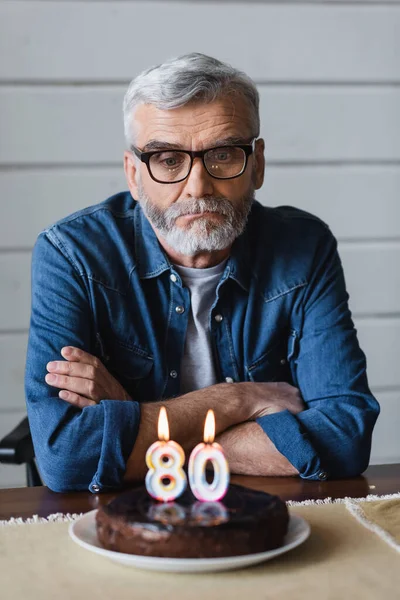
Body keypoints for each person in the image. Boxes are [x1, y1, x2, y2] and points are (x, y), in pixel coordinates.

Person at [25, 53, 379, 493]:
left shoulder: (304, 248)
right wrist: (242, 399)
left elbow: (346, 437)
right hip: (126, 516)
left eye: (224, 154)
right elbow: (66, 457)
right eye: (169, 160)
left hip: (265, 510)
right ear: (134, 175)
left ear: (258, 164)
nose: (198, 187)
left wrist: (137, 420)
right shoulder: (72, 254)